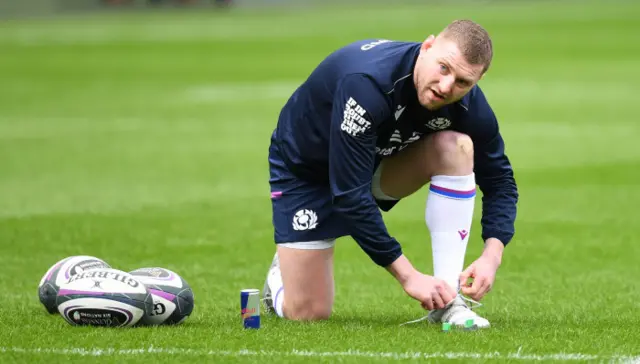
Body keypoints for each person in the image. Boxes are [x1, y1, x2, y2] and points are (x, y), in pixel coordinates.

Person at [262, 19, 518, 328]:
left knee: (456, 147)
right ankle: (280, 277)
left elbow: (500, 181)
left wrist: (492, 255)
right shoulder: (367, 84)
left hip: (373, 163)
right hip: (307, 172)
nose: (447, 87)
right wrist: (409, 277)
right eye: (443, 68)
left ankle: (448, 301)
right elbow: (349, 196)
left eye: (463, 82)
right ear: (427, 46)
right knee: (308, 313)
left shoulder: (469, 106)